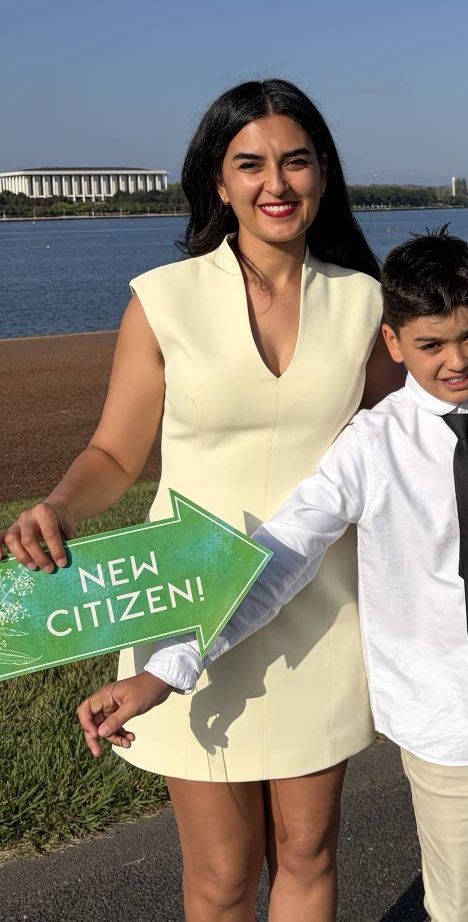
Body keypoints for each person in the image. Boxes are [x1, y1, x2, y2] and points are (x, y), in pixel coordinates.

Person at [78, 228, 468, 922]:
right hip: (444, 725)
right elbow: (279, 560)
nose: (456, 361)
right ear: (392, 343)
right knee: (462, 909)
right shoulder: (368, 447)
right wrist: (162, 671)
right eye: (430, 345)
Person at [0, 79, 402, 922]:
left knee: (308, 854)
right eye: (249, 164)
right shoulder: (162, 299)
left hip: (322, 607)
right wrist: (63, 503)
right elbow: (115, 451)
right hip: (182, 603)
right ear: (218, 184)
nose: (276, 184)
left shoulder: (366, 302)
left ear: (324, 173)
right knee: (220, 877)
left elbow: (399, 450)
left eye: (295, 161)